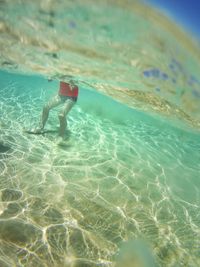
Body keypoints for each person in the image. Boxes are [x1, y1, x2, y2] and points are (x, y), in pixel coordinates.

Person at [33, 79, 79, 144]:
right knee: (46, 107)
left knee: (61, 115)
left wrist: (74, 83)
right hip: (60, 95)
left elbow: (77, 82)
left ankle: (61, 136)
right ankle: (40, 128)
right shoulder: (61, 71)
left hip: (71, 97)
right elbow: (53, 75)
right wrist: (51, 77)